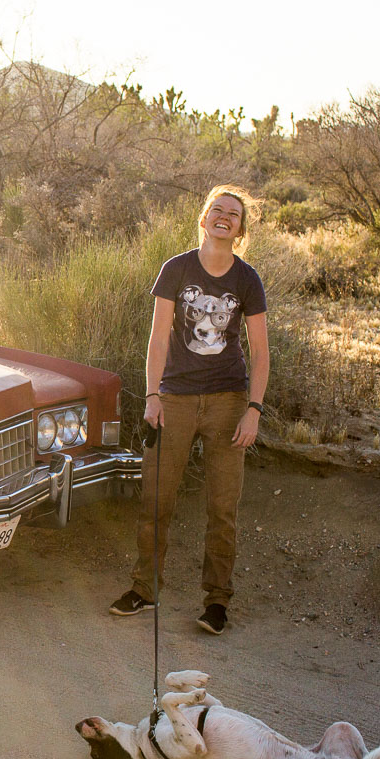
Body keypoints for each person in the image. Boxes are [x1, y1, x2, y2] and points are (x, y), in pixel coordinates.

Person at [109, 186, 269, 635]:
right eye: (217, 209)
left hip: (228, 401)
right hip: (174, 399)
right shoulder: (176, 269)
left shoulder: (247, 279)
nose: (224, 217)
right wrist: (152, 395)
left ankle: (216, 601)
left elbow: (260, 352)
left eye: (233, 214)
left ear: (240, 230)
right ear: (203, 219)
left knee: (222, 508)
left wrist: (253, 410)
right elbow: (158, 338)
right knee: (156, 500)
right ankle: (144, 589)